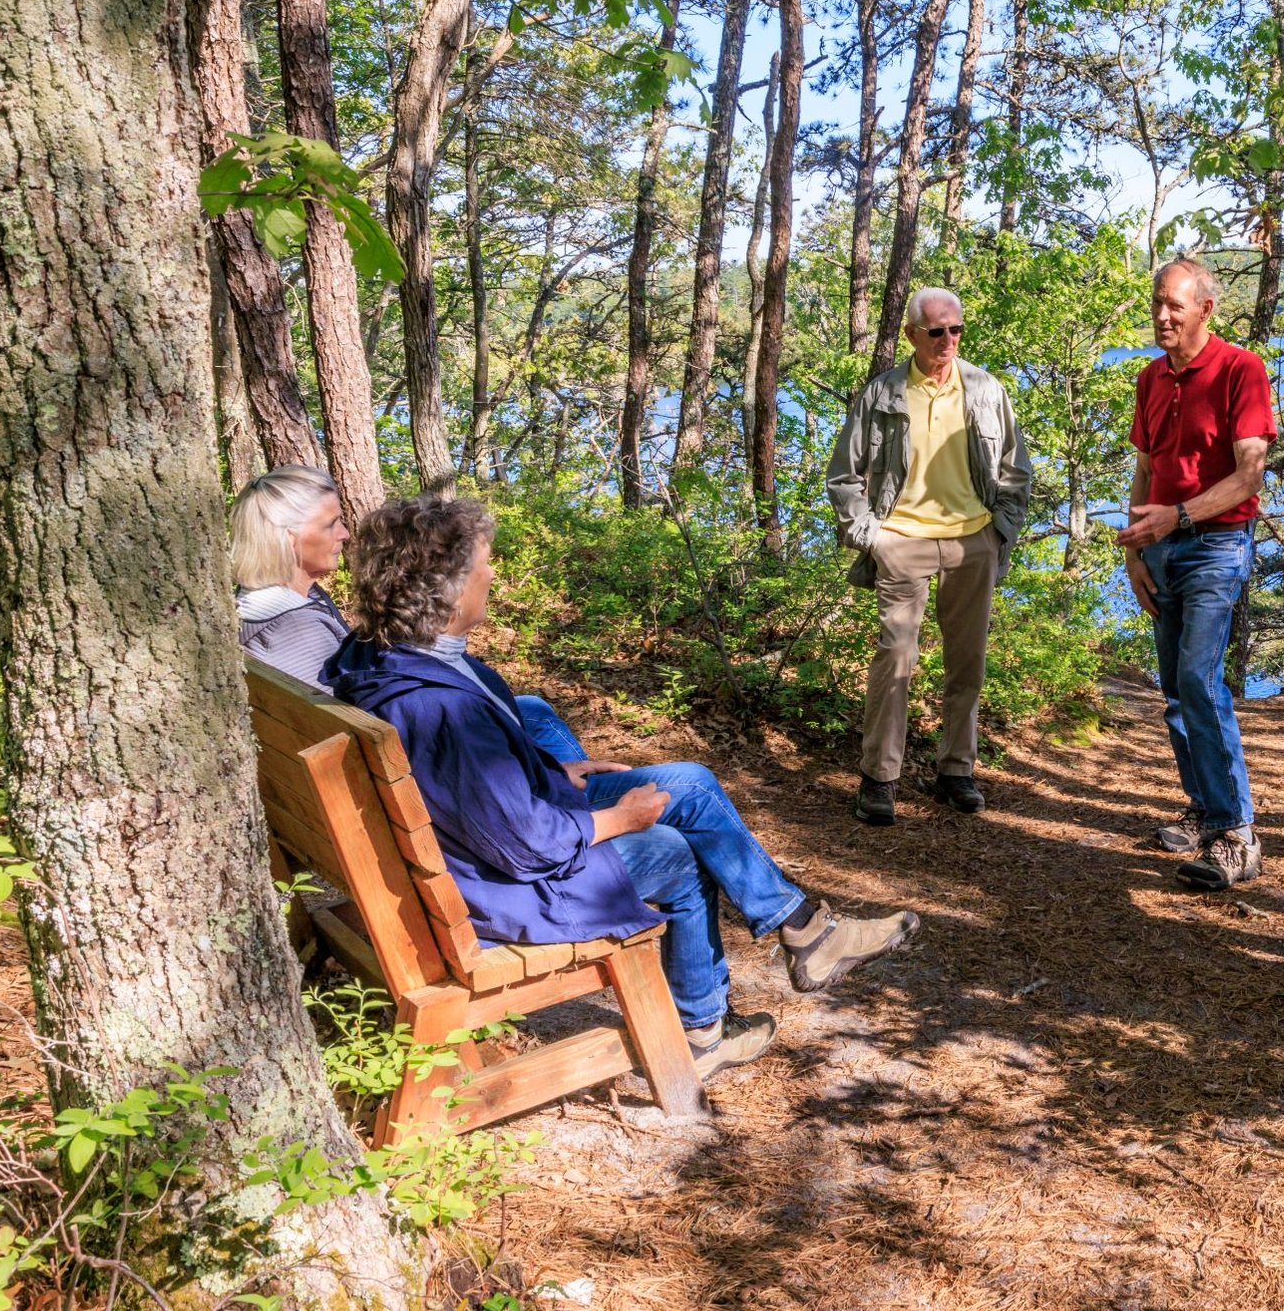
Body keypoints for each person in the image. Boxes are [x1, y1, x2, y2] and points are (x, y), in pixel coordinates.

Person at [324, 496, 922, 1083]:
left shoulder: (384, 656)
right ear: (446, 586)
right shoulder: (437, 702)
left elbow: (464, 782)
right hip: (499, 883)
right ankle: (701, 1033)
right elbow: (525, 844)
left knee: (691, 783)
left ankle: (805, 928)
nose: (492, 572)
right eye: (484, 562)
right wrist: (622, 819)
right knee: (676, 854)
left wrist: (554, 769)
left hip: (478, 840)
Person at [825, 287, 1032, 826]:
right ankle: (878, 778)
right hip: (903, 541)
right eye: (936, 330)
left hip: (973, 543)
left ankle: (956, 771)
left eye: (956, 329)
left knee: (968, 662)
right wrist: (872, 536)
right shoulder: (884, 393)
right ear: (912, 333)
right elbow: (844, 474)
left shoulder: (986, 389)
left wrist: (999, 532)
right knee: (896, 656)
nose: (947, 340)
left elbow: (1016, 470)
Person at [229, 466, 587, 764]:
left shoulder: (275, 603)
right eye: (331, 524)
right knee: (522, 716)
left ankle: (570, 784)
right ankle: (577, 796)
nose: (345, 534)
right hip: (411, 764)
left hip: (405, 752)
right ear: (288, 538)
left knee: (532, 710)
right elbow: (357, 724)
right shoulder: (290, 627)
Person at [1118, 256, 1276, 891]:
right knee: (1175, 689)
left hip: (1215, 545)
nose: (1161, 315)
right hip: (1160, 549)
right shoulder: (1151, 378)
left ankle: (1237, 832)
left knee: (1198, 679)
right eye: (1157, 303)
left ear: (1205, 310)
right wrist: (1134, 549)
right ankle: (1208, 809)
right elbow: (1145, 469)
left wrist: (1175, 518)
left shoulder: (1242, 369)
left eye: (1174, 306)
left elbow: (1249, 475)